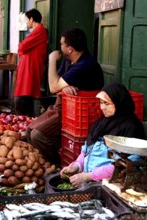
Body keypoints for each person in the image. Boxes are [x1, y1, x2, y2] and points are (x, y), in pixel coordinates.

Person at [26, 28, 104, 165]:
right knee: (29, 130)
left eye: (62, 44)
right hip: (64, 106)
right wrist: (62, 87)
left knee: (37, 136)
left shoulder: (85, 65)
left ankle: (55, 166)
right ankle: (44, 164)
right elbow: (57, 88)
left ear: (70, 49)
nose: (59, 47)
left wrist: (51, 60)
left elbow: (53, 87)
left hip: (77, 113)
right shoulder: (70, 60)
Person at [60, 82, 145, 188]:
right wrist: (76, 166)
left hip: (110, 185)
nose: (102, 107)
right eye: (101, 103)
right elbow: (86, 151)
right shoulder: (101, 123)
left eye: (107, 103)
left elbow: (129, 164)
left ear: (119, 103)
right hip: (89, 181)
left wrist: (89, 176)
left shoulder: (132, 127)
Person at [13, 8, 48, 117]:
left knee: (24, 97)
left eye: (27, 19)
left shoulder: (40, 31)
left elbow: (22, 46)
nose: (27, 22)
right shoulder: (37, 31)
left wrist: (22, 48)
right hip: (29, 68)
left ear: (32, 19)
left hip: (30, 69)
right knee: (25, 97)